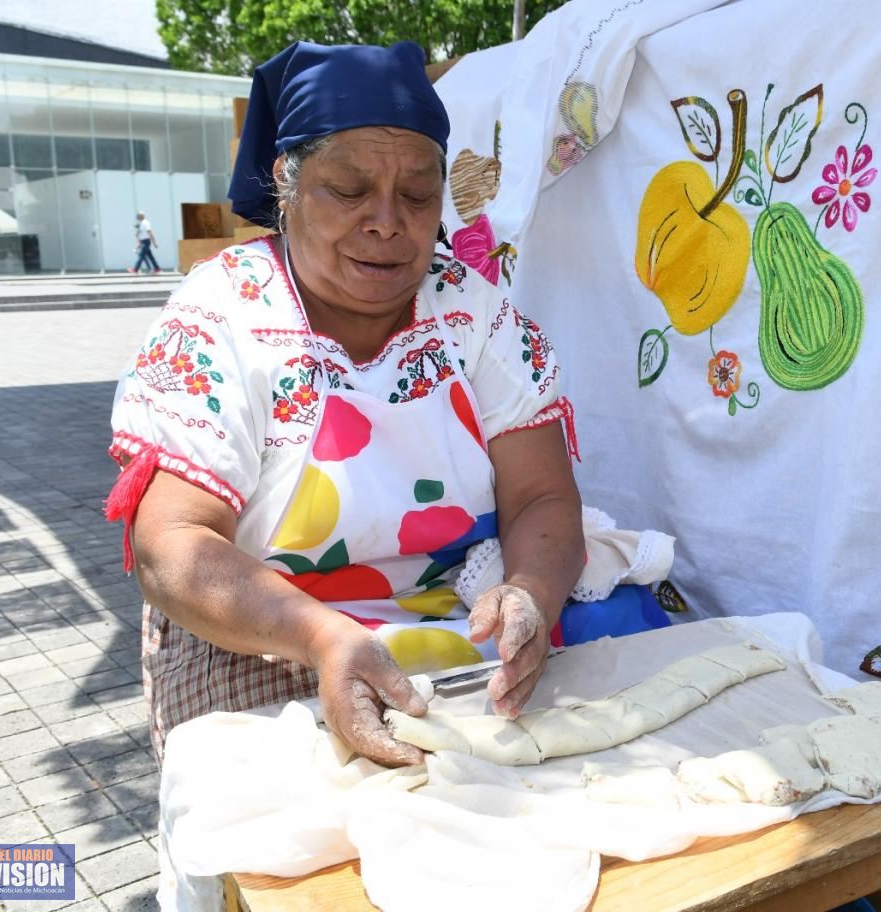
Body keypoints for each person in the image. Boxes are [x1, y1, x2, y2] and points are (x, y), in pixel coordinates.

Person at [106, 41, 666, 768]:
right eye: (347, 188)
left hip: (450, 612)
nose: (387, 222)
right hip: (265, 631)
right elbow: (173, 546)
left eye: (417, 194)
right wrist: (322, 636)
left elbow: (540, 496)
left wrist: (530, 591)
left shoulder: (474, 315)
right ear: (286, 181)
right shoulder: (221, 320)